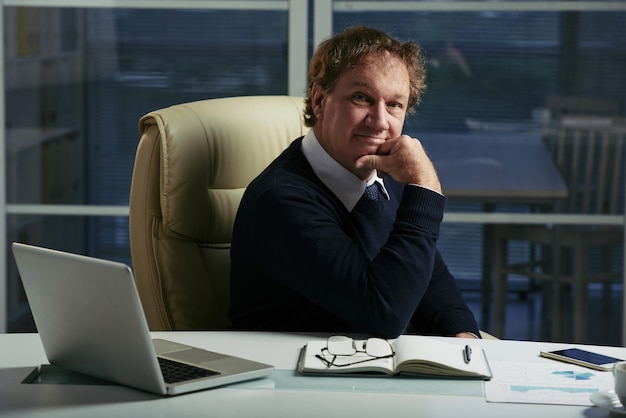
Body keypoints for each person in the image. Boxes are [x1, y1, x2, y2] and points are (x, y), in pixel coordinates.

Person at [229, 25, 479, 339]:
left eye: (394, 105)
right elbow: (383, 315)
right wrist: (424, 185)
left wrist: (463, 338)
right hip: (292, 379)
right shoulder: (280, 200)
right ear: (319, 100)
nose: (379, 122)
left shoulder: (384, 180)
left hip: (360, 371)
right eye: (361, 98)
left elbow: (430, 280)